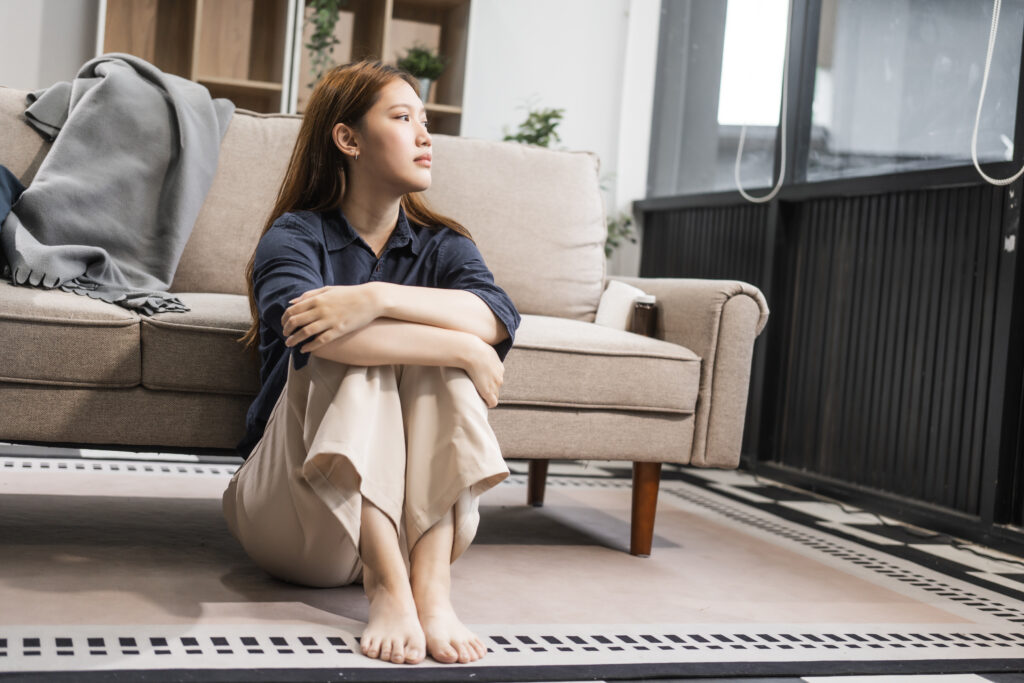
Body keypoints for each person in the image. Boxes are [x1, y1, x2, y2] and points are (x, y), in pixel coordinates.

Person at [221, 59, 521, 666]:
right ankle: (387, 586)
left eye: (426, 120)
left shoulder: (444, 245)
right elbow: (314, 337)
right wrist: (461, 346)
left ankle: (431, 589)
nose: (425, 135)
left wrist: (376, 297)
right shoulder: (295, 235)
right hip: (301, 520)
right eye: (403, 117)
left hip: (423, 526)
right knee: (351, 348)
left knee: (400, 335)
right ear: (348, 138)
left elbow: (495, 314)